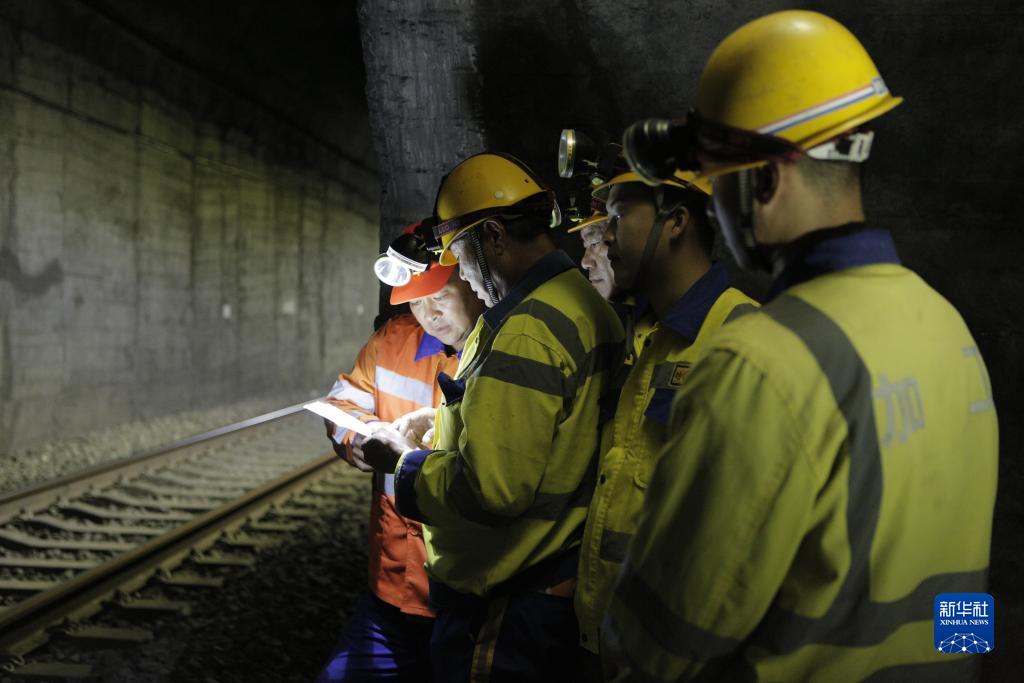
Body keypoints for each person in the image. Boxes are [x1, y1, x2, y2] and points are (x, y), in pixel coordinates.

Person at [604, 10, 998, 682]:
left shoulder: (759, 365)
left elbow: (659, 644)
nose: (716, 209)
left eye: (717, 182)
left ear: (763, 182)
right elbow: (964, 584)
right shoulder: (949, 331)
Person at [360, 153, 624, 682]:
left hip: (509, 603)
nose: (459, 271)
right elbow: (542, 431)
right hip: (547, 586)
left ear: (495, 236)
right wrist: (445, 426)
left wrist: (404, 463)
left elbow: (492, 490)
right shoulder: (577, 301)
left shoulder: (526, 329)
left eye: (460, 253)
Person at [573, 168, 757, 673]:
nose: (606, 237)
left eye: (617, 218)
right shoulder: (644, 337)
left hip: (680, 654)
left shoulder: (740, 337)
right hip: (611, 635)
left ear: (676, 222)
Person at [315, 224, 483, 682]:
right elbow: (342, 403)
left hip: (470, 599)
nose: (429, 314)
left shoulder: (504, 352)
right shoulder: (393, 342)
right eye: (416, 301)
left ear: (471, 280)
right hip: (391, 587)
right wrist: (361, 439)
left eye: (439, 297)